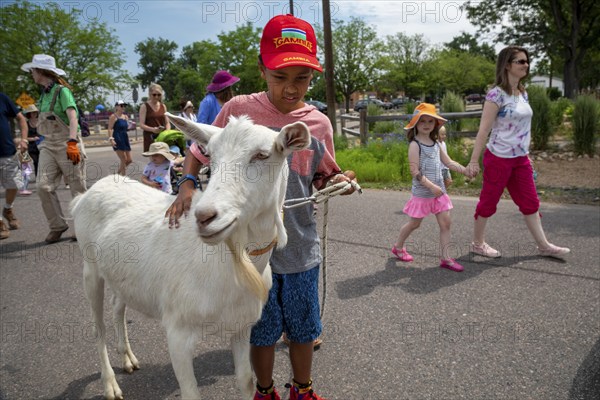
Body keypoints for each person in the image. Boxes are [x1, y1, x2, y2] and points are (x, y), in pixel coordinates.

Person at [166, 14, 356, 400]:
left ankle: (303, 388)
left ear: (312, 76)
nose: (291, 87)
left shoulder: (316, 124)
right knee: (262, 326)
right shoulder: (238, 111)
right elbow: (201, 148)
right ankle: (264, 390)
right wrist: (187, 183)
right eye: (280, 76)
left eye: (301, 78)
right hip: (248, 248)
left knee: (304, 326)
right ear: (261, 68)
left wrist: (337, 182)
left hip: (300, 241)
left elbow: (321, 175)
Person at [467, 45, 570, 259]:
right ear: (507, 65)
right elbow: (484, 129)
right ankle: (478, 243)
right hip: (498, 158)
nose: (526, 65)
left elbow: (523, 127)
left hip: (520, 159)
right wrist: (474, 161)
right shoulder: (496, 95)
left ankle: (543, 245)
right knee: (489, 202)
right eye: (520, 61)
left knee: (530, 202)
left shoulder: (523, 92)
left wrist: (526, 153)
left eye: (526, 61)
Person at [391, 103, 469, 272]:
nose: (426, 124)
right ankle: (398, 247)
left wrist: (466, 171)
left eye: (430, 121)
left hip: (439, 192)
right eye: (422, 121)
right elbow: (414, 171)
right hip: (423, 193)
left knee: (446, 223)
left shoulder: (436, 144)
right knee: (414, 224)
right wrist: (431, 186)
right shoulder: (415, 145)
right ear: (415, 124)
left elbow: (448, 162)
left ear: (435, 124)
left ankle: (446, 258)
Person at [21, 54, 87, 244]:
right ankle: (57, 225)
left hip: (68, 142)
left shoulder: (62, 92)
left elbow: (73, 118)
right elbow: (39, 124)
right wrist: (32, 118)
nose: (31, 74)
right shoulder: (43, 95)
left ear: (41, 71)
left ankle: (82, 227)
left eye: (33, 70)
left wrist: (73, 142)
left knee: (77, 186)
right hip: (48, 145)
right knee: (43, 186)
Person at [0, 92, 28, 239]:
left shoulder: (3, 98)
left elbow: (21, 118)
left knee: (14, 185)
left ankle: (7, 209)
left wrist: (24, 140)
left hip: (7, 151)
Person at [139, 83, 170, 152]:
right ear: (150, 94)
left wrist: (167, 132)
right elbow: (141, 125)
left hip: (162, 137)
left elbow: (167, 122)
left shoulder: (163, 106)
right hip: (150, 137)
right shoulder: (144, 106)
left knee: (163, 160)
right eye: (154, 95)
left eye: (159, 95)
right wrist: (153, 129)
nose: (156, 97)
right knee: (154, 160)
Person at [107, 100, 132, 175]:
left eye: (124, 106)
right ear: (117, 107)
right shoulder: (113, 116)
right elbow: (110, 128)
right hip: (117, 137)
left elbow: (127, 128)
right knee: (123, 159)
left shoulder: (126, 117)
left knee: (129, 160)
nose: (123, 107)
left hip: (125, 137)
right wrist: (111, 139)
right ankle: (123, 177)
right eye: (121, 105)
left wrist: (130, 126)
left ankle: (117, 174)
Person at [23, 104, 41, 176]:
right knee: (36, 161)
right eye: (32, 112)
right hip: (31, 147)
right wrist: (33, 139)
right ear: (29, 114)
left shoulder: (41, 122)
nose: (34, 114)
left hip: (42, 145)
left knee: (42, 162)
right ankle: (37, 177)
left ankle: (41, 177)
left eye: (35, 112)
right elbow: (24, 137)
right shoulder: (26, 124)